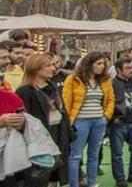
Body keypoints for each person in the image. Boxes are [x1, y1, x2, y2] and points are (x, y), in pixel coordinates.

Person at [16, 53, 71, 186]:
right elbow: (23, 120)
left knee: (54, 176)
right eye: (49, 65)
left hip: (58, 135)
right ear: (36, 68)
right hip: (37, 140)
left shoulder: (53, 87)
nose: (54, 68)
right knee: (39, 176)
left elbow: (62, 112)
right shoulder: (24, 91)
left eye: (53, 64)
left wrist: (69, 132)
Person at [64, 53, 113, 187]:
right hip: (80, 120)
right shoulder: (73, 79)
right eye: (98, 64)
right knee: (75, 155)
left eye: (103, 64)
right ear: (89, 64)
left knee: (94, 153)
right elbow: (66, 101)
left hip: (99, 120)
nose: (102, 67)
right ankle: (74, 184)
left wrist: (106, 116)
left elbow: (110, 100)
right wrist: (69, 121)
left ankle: (91, 182)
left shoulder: (105, 80)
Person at [109, 58, 132, 187]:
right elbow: (108, 102)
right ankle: (120, 178)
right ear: (118, 70)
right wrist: (113, 118)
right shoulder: (112, 84)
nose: (131, 70)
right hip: (119, 122)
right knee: (117, 153)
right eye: (128, 68)